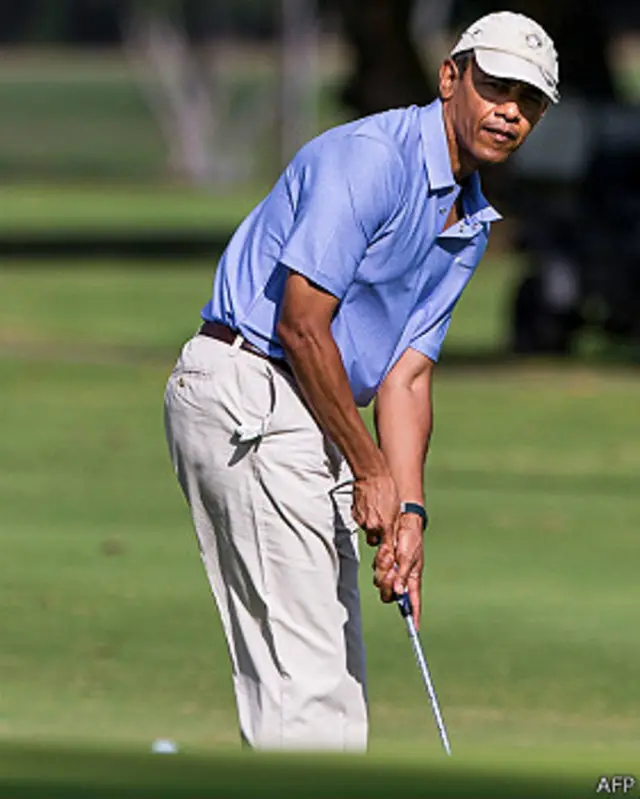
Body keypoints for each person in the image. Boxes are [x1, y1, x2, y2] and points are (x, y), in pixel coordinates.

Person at [164, 10, 559, 751]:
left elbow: (408, 374)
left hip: (305, 406)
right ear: (451, 78)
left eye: (529, 100)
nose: (510, 110)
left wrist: (408, 509)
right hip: (253, 387)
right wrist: (368, 466)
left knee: (323, 681)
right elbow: (301, 323)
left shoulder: (468, 217)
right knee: (310, 690)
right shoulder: (373, 158)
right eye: (496, 86)